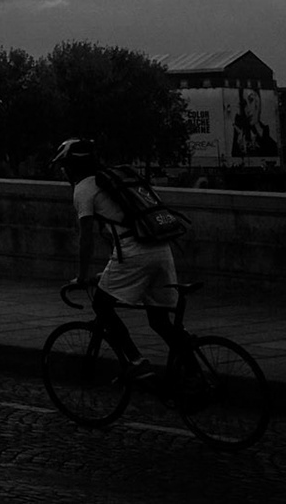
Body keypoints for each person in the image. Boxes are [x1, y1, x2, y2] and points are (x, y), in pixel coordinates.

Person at [54, 137, 191, 381]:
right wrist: (105, 273)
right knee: (160, 320)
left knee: (101, 305)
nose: (63, 173)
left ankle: (136, 362)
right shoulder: (116, 181)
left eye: (64, 167)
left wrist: (83, 276)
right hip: (160, 248)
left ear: (72, 167)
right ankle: (195, 374)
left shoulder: (83, 189)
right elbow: (118, 233)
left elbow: (87, 239)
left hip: (135, 253)